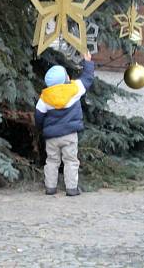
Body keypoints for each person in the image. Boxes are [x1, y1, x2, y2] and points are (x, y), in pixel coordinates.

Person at [35, 51, 94, 196]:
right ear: (66, 79)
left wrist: (41, 128)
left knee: (52, 161)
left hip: (52, 137)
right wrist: (87, 61)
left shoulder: (45, 98)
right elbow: (87, 78)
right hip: (70, 135)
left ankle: (50, 187)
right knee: (71, 161)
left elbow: (38, 116)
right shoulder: (74, 89)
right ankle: (71, 188)